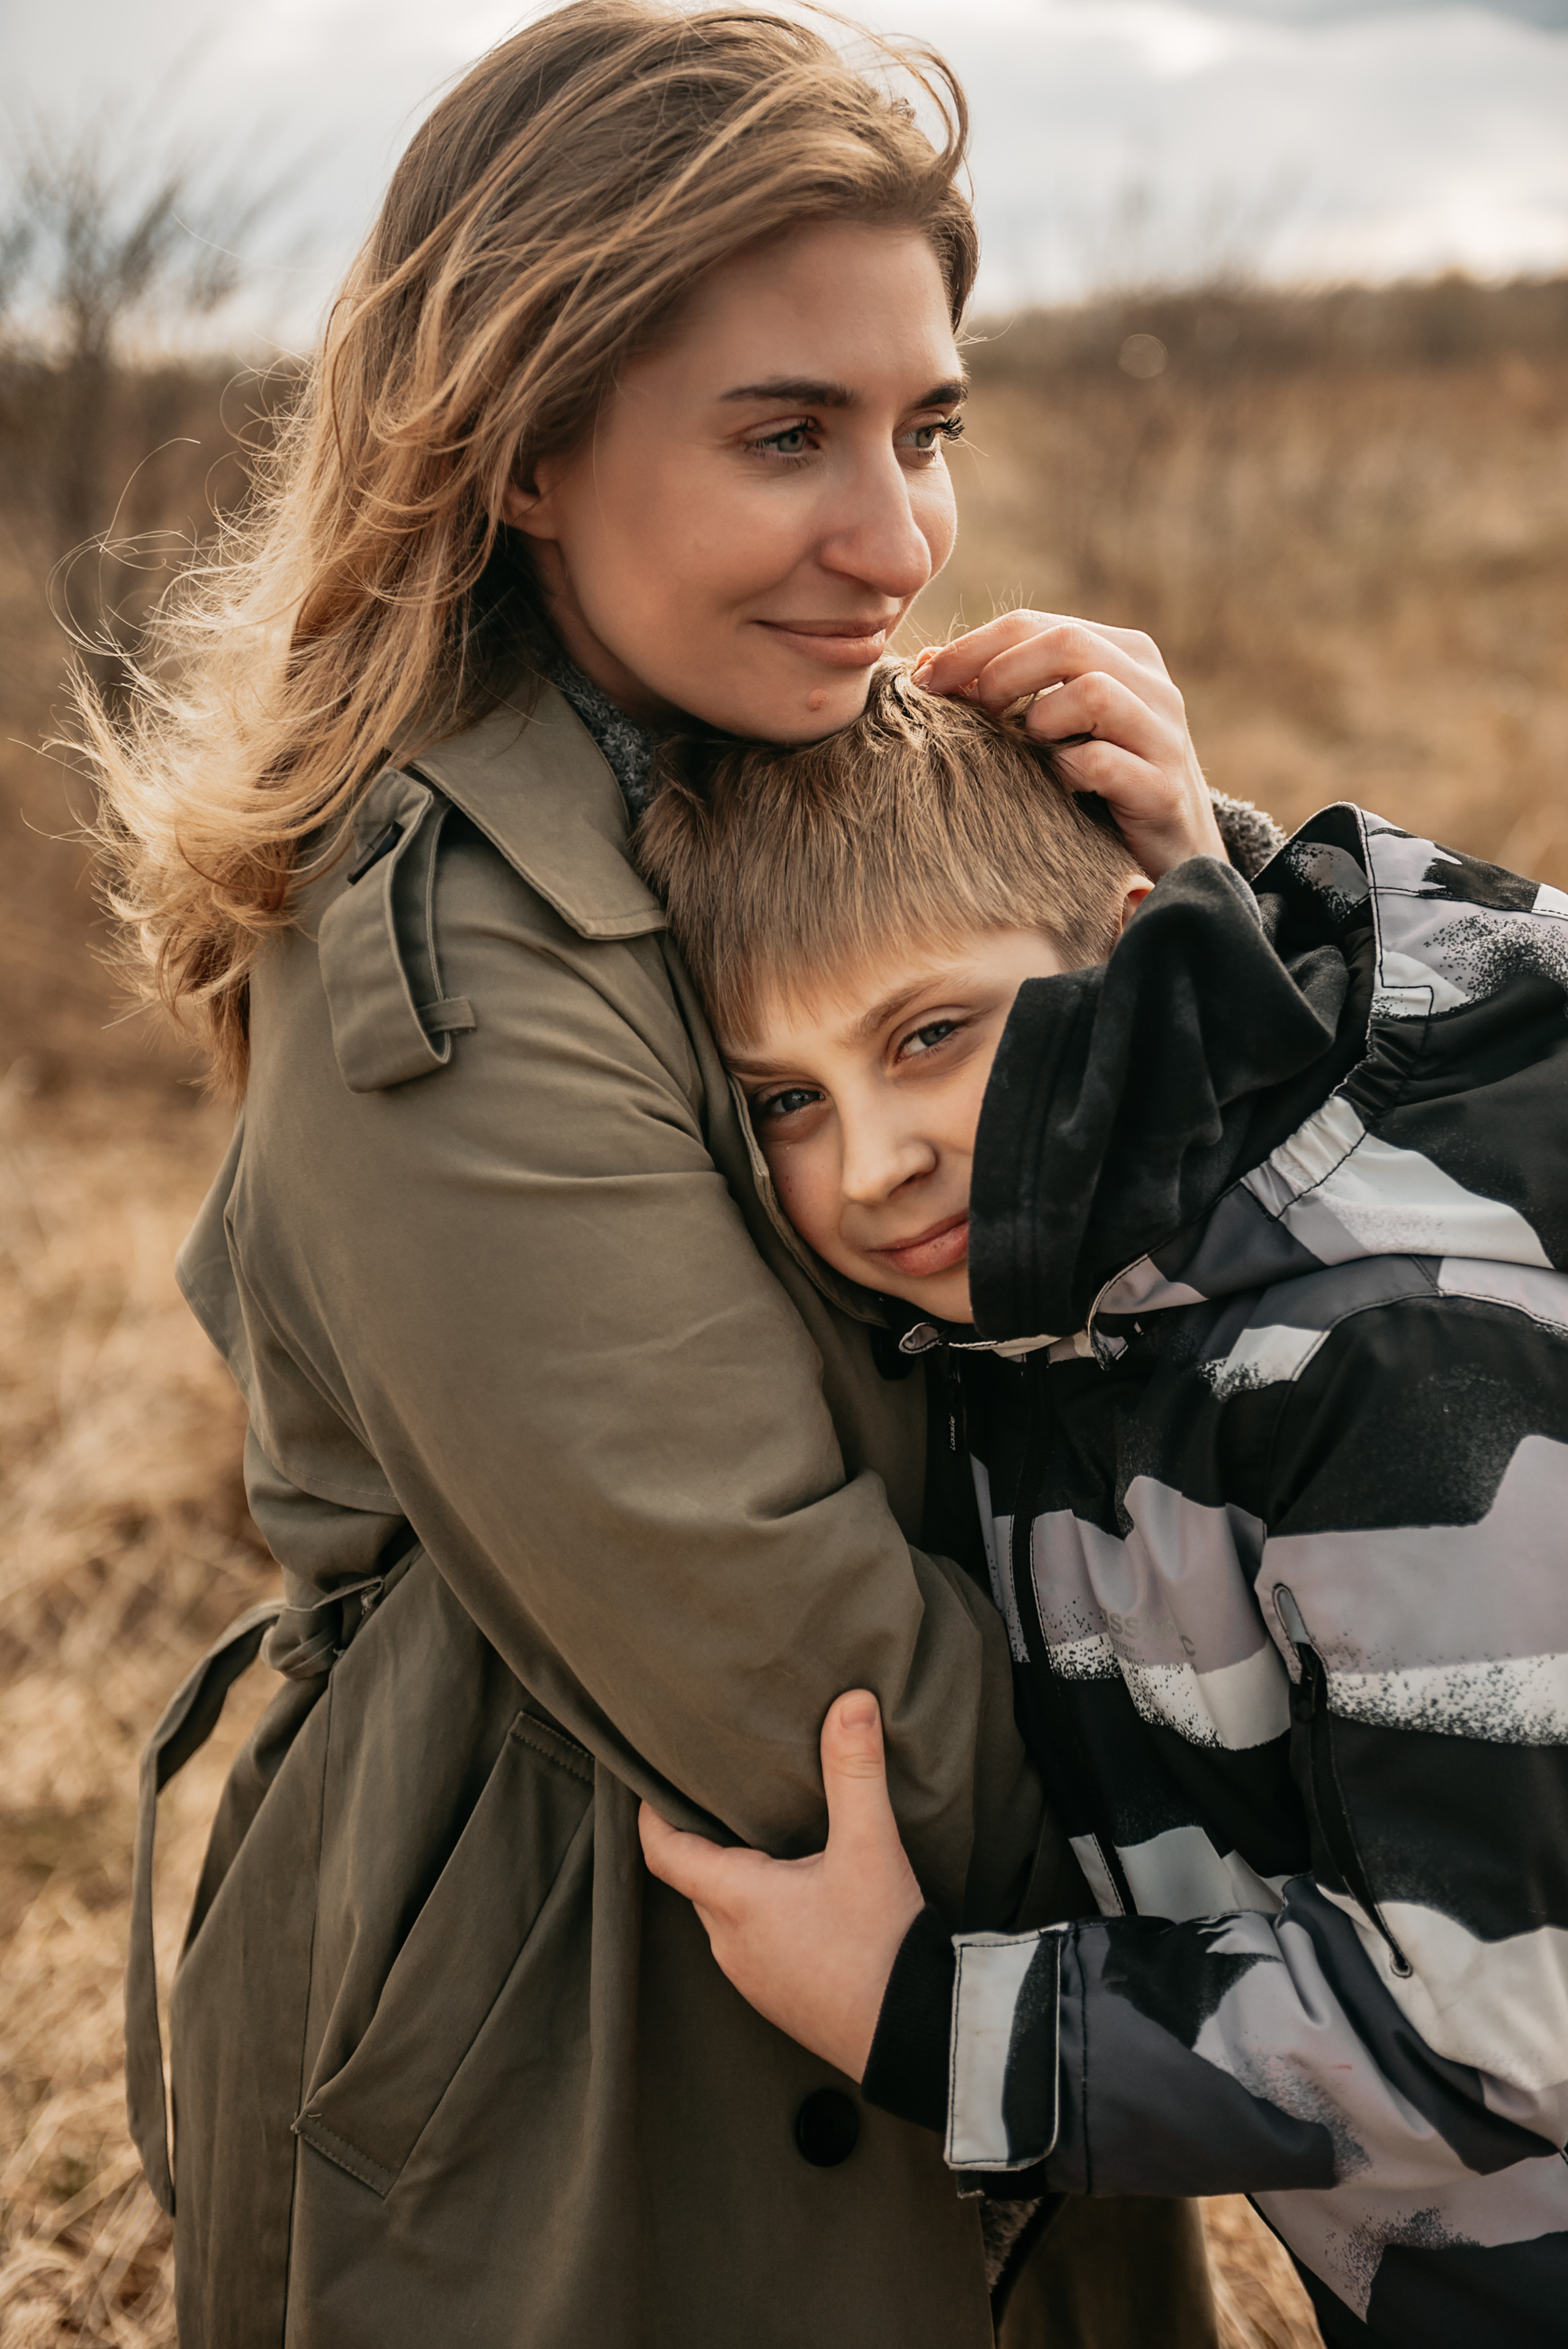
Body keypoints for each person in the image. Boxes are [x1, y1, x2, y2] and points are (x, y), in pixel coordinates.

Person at [89, 7, 1234, 2344]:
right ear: (522, 450)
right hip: (588, 2056)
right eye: (785, 435)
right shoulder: (438, 955)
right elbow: (795, 1681)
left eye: (926, 429)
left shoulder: (805, 761)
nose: (897, 539)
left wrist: (1202, 914)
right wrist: (1318, 1827)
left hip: (969, 2007)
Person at [636, 667, 1568, 2347]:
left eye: (929, 1036)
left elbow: (1503, 2031)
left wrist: (937, 2025)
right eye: (787, 1100)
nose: (875, 1162)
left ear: (1141, 951)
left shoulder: (1390, 1367)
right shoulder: (1051, 1320)